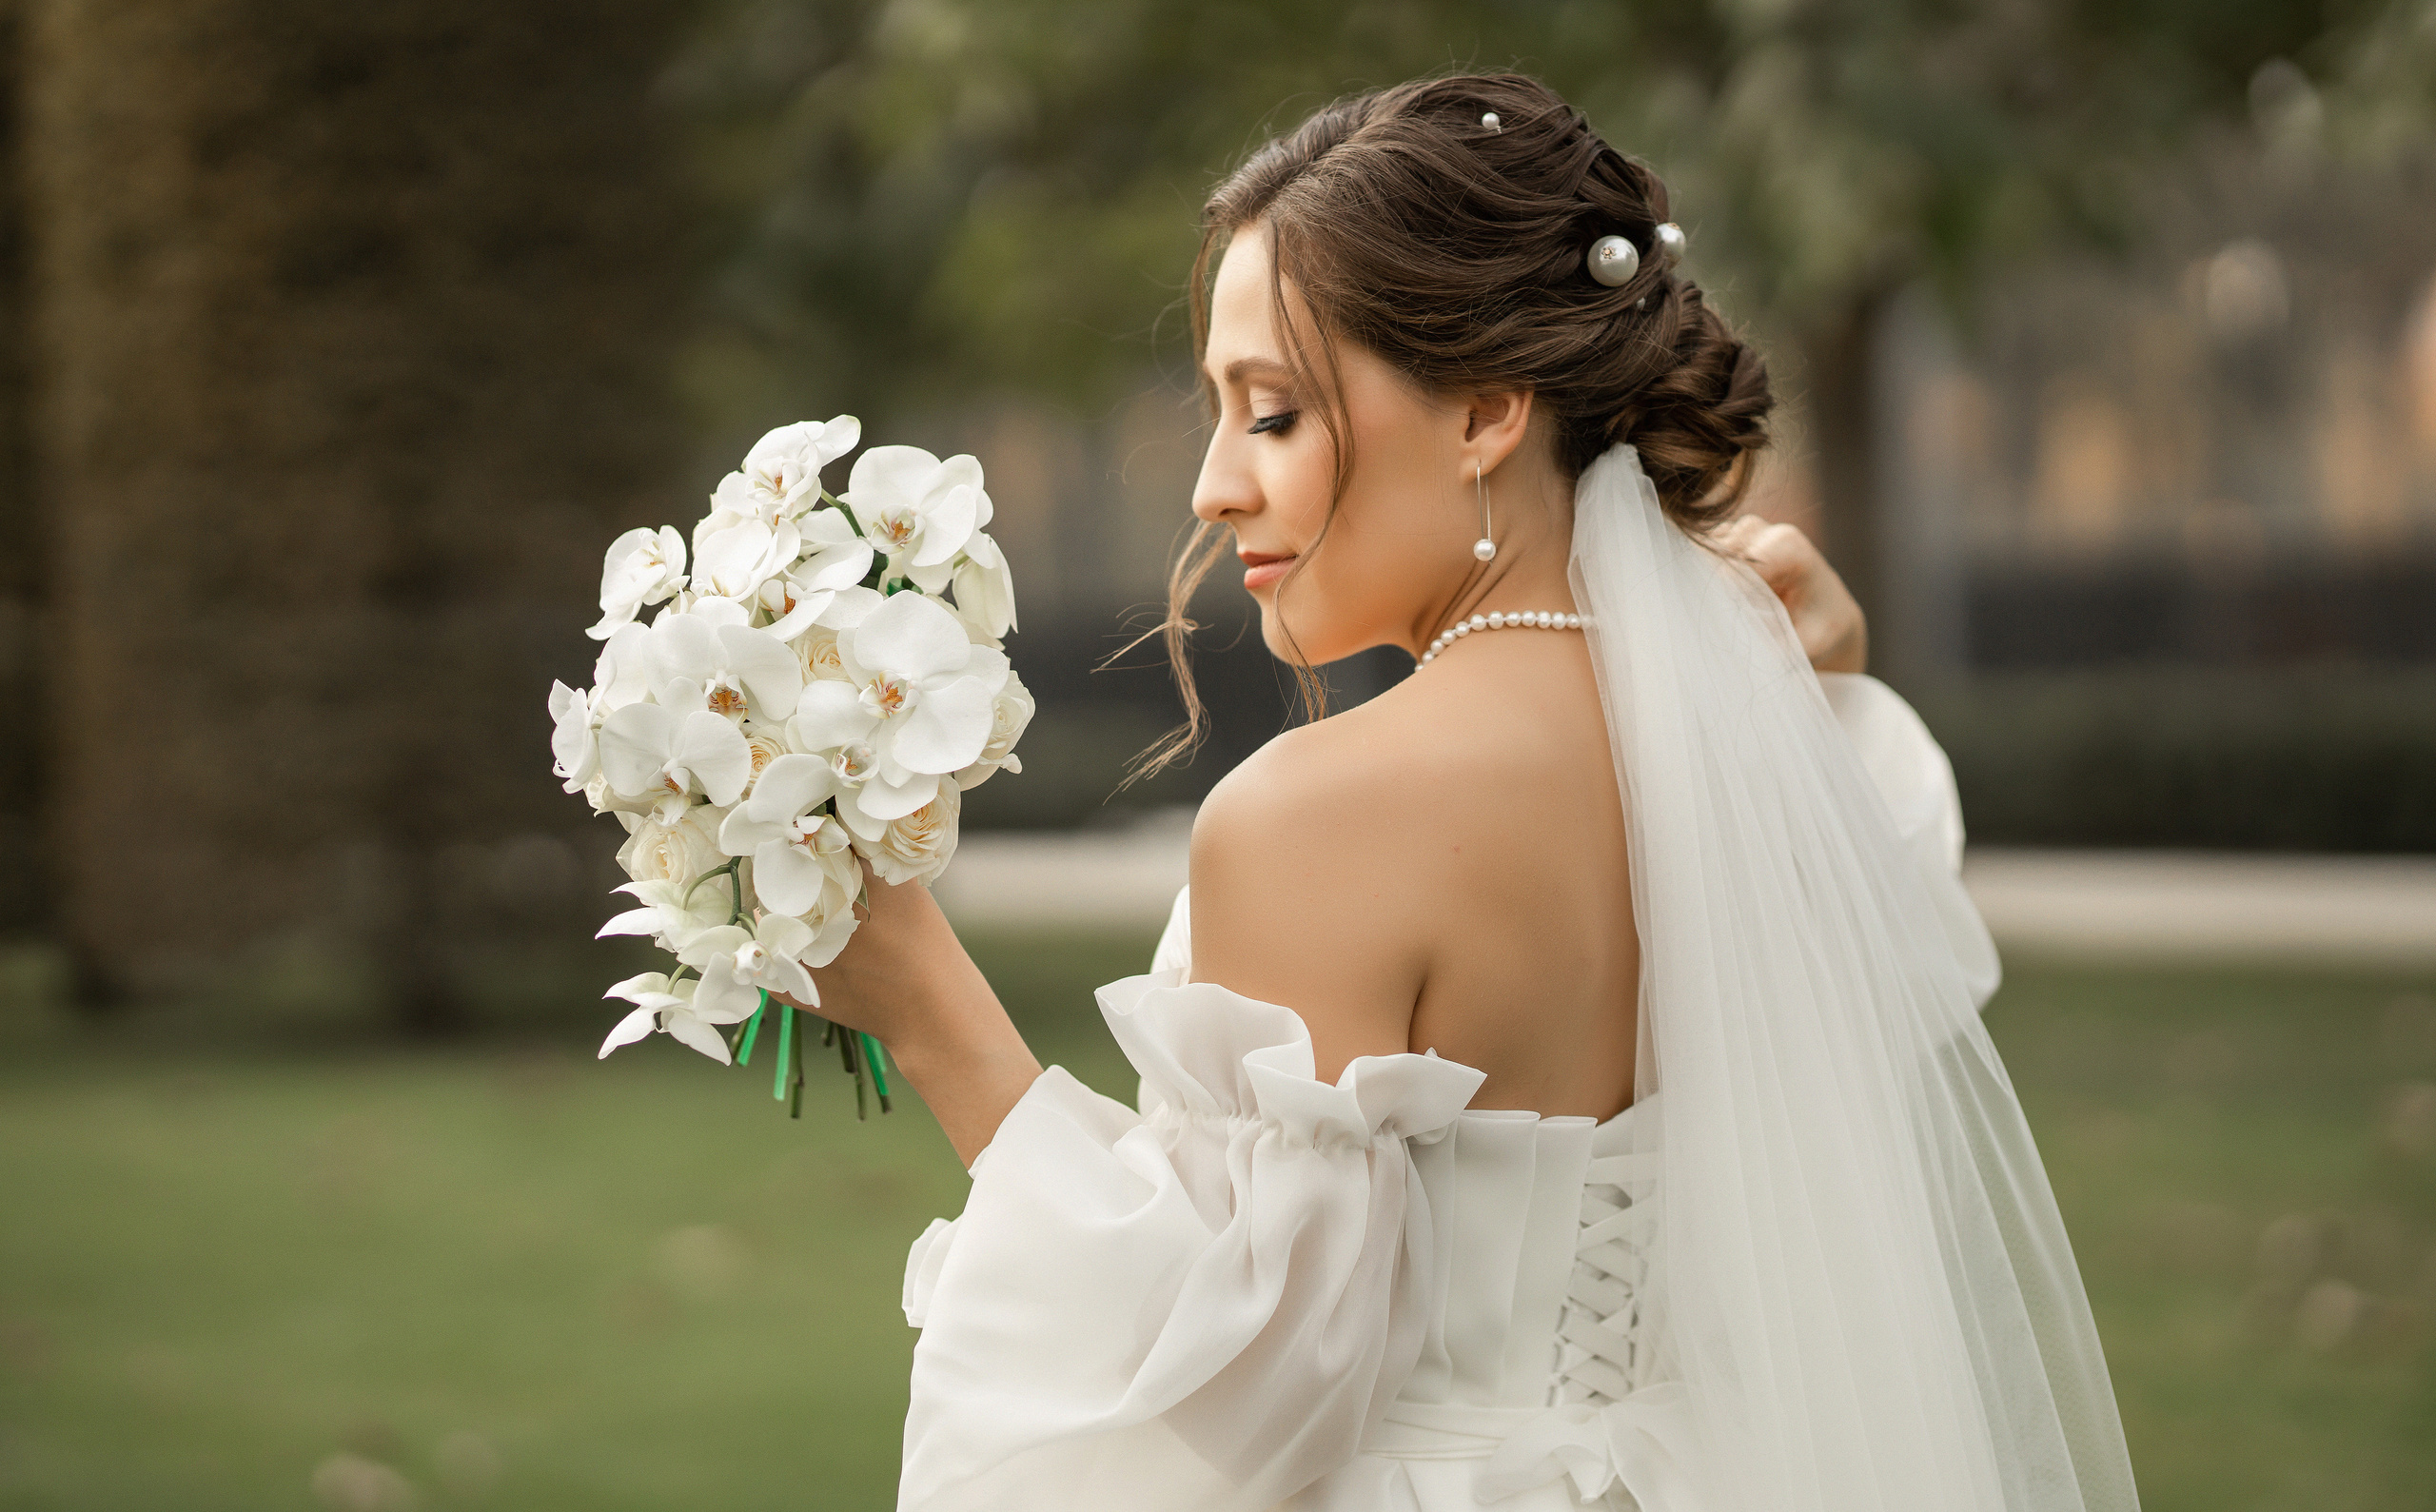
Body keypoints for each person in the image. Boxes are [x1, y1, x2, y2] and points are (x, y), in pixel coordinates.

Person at [791, 73, 2139, 1512]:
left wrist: (925, 1003)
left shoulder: (1315, 813)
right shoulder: (1761, 750)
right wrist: (1834, 686)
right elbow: (1892, 971)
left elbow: (1230, 1405)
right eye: (1218, 413)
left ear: (1490, 409)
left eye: (1276, 415)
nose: (1212, 487)